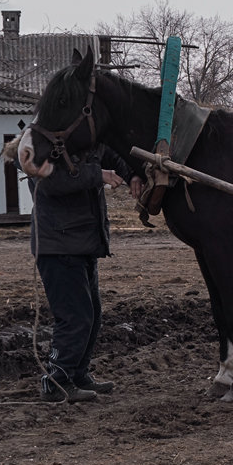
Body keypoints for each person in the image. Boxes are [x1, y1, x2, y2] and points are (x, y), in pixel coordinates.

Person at [24, 140, 144, 403]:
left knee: (92, 315)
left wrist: (133, 171)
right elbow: (52, 182)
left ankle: (78, 373)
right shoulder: (39, 145)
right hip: (58, 245)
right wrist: (98, 175)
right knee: (75, 317)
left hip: (81, 243)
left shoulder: (86, 141)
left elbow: (113, 153)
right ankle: (56, 381)